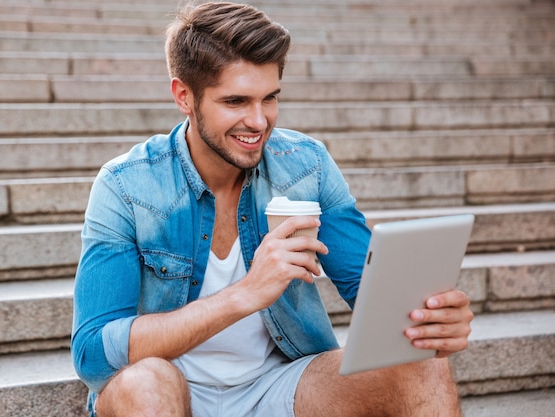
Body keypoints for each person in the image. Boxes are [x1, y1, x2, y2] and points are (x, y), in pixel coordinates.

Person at [71, 2, 474, 416]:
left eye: (270, 98)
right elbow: (93, 352)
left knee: (422, 364)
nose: (259, 121)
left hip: (280, 387)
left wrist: (431, 321)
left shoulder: (306, 166)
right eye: (236, 101)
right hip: (170, 391)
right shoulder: (127, 185)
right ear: (184, 96)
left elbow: (373, 293)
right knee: (143, 381)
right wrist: (243, 294)